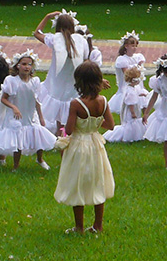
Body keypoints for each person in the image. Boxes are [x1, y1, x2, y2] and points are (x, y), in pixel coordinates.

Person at [54, 61, 115, 234]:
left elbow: (69, 129)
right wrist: (94, 124)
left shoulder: (76, 104)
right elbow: (110, 125)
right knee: (97, 183)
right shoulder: (103, 101)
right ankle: (98, 225)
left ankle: (79, 226)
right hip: (96, 145)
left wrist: (70, 131)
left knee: (78, 183)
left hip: (79, 146)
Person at [0, 50, 56, 171]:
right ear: (17, 66)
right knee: (18, 140)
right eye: (24, 64)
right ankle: (16, 166)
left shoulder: (34, 81)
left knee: (38, 135)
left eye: (29, 64)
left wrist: (41, 117)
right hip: (17, 116)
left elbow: (36, 100)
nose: (27, 67)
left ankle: (40, 159)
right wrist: (14, 107)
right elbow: (3, 99)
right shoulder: (12, 81)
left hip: (30, 114)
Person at [34, 10, 87, 133]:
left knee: (58, 108)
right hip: (73, 81)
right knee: (70, 107)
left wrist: (47, 16)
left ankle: (60, 132)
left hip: (56, 82)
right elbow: (85, 59)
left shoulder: (54, 40)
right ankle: (67, 132)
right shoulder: (81, 41)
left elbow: (37, 33)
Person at [104, 66, 147, 143]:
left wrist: (141, 94)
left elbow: (135, 95)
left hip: (133, 108)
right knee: (131, 122)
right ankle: (128, 136)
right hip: (131, 111)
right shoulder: (130, 92)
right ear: (133, 81)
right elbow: (131, 103)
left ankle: (134, 135)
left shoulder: (131, 88)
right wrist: (133, 113)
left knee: (134, 122)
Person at [107, 30, 144, 117]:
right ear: (126, 46)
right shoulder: (122, 59)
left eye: (136, 46)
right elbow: (127, 74)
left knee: (141, 105)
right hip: (126, 87)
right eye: (132, 45)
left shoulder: (138, 57)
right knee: (127, 111)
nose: (135, 48)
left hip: (137, 86)